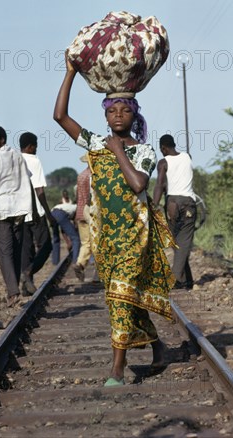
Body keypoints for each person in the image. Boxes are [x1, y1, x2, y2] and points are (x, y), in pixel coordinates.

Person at [53, 53, 175, 386]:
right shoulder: (94, 142)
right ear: (105, 115)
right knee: (122, 296)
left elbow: (138, 184)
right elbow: (60, 116)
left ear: (133, 114)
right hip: (107, 236)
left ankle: (117, 368)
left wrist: (118, 151)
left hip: (136, 235)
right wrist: (70, 74)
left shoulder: (144, 151)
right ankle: (158, 348)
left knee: (120, 295)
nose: (118, 115)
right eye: (111, 111)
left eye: (124, 110)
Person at [0, 126, 32, 307]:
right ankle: (13, 289)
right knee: (16, 247)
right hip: (19, 207)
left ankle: (13, 292)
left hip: (1, 208)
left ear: (2, 140)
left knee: (5, 251)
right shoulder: (18, 156)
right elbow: (26, 179)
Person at [153, 134, 197, 290]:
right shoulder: (187, 156)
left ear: (163, 148)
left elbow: (159, 184)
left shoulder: (163, 162)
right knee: (183, 243)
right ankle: (182, 278)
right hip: (188, 203)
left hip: (172, 204)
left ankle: (179, 279)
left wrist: (154, 205)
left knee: (178, 244)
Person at [19, 132, 57, 296]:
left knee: (26, 249)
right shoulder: (34, 161)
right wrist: (49, 214)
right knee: (46, 245)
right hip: (35, 212)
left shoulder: (16, 160)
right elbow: (39, 190)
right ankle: (28, 273)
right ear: (30, 146)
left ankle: (26, 286)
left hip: (20, 212)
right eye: (35, 146)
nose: (36, 149)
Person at [73, 154, 92, 282]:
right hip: (90, 212)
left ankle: (80, 263)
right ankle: (101, 273)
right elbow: (90, 197)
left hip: (79, 213)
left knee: (86, 243)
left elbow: (77, 198)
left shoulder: (81, 175)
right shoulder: (93, 176)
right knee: (96, 242)